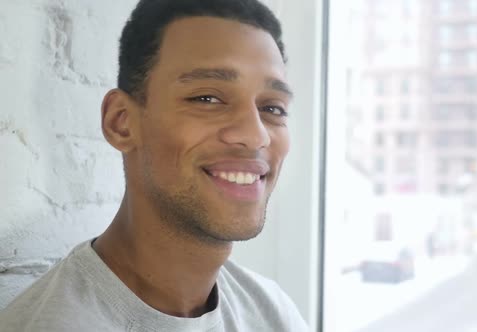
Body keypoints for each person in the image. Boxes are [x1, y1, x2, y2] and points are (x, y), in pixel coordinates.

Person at [0, 0, 308, 331]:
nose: (255, 135)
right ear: (122, 122)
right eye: (207, 98)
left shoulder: (272, 311)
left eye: (273, 108)